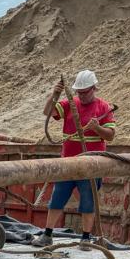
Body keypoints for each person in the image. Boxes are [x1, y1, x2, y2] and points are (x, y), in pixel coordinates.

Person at [42, 69, 116, 243]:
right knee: (57, 198)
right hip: (68, 162)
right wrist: (55, 94)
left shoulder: (103, 107)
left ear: (94, 88)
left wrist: (97, 128)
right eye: (79, 93)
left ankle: (85, 238)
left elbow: (110, 135)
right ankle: (47, 234)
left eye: (84, 92)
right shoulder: (70, 104)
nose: (81, 96)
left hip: (91, 164)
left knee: (88, 201)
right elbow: (48, 112)